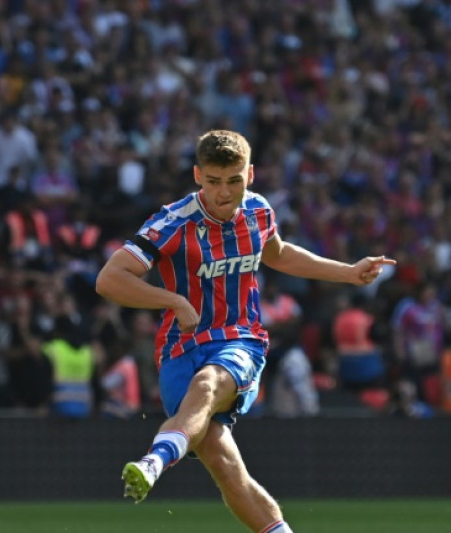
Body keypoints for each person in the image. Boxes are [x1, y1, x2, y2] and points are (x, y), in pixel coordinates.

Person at [95, 130, 395, 533]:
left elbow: (279, 254)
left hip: (241, 340)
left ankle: (153, 461)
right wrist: (174, 301)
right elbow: (109, 279)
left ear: (249, 175)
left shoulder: (258, 211)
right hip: (180, 348)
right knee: (225, 466)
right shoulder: (173, 222)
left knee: (208, 383)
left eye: (234, 180)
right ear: (198, 176)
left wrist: (348, 272)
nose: (224, 192)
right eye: (214, 181)